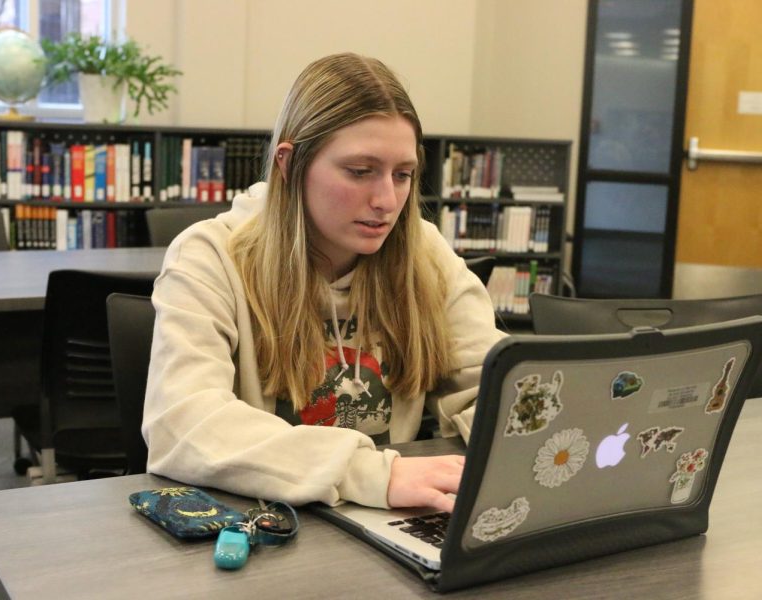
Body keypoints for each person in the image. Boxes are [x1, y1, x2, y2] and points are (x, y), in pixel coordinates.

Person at [143, 52, 504, 513]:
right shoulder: (209, 257)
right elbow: (182, 424)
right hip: (271, 522)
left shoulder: (425, 255)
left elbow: (491, 387)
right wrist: (371, 473)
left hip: (385, 516)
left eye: (403, 175)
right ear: (290, 165)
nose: (387, 200)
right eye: (360, 171)